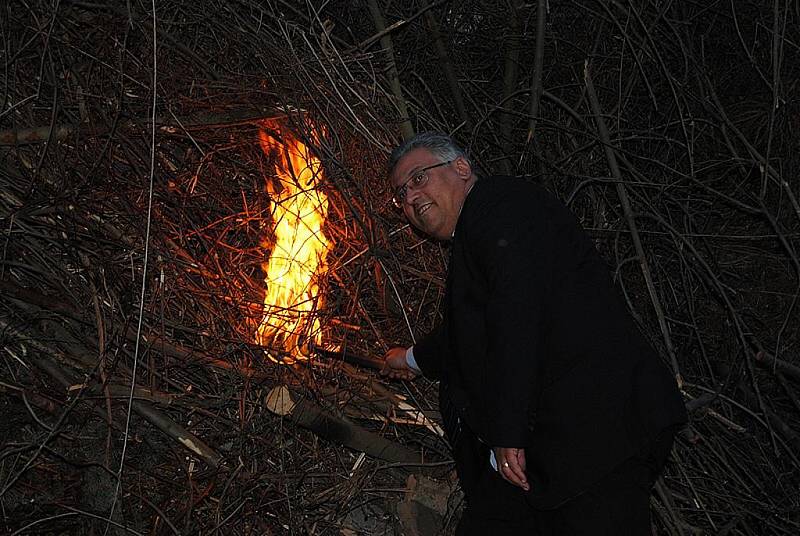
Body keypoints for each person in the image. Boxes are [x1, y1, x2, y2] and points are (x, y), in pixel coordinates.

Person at [380, 132, 687, 535]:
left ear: (461, 168)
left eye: (419, 177)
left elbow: (517, 307)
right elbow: (469, 332)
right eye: (401, 193)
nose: (409, 197)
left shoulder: (500, 204)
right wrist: (410, 359)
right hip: (552, 451)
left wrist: (508, 428)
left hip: (595, 432)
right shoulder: (481, 233)